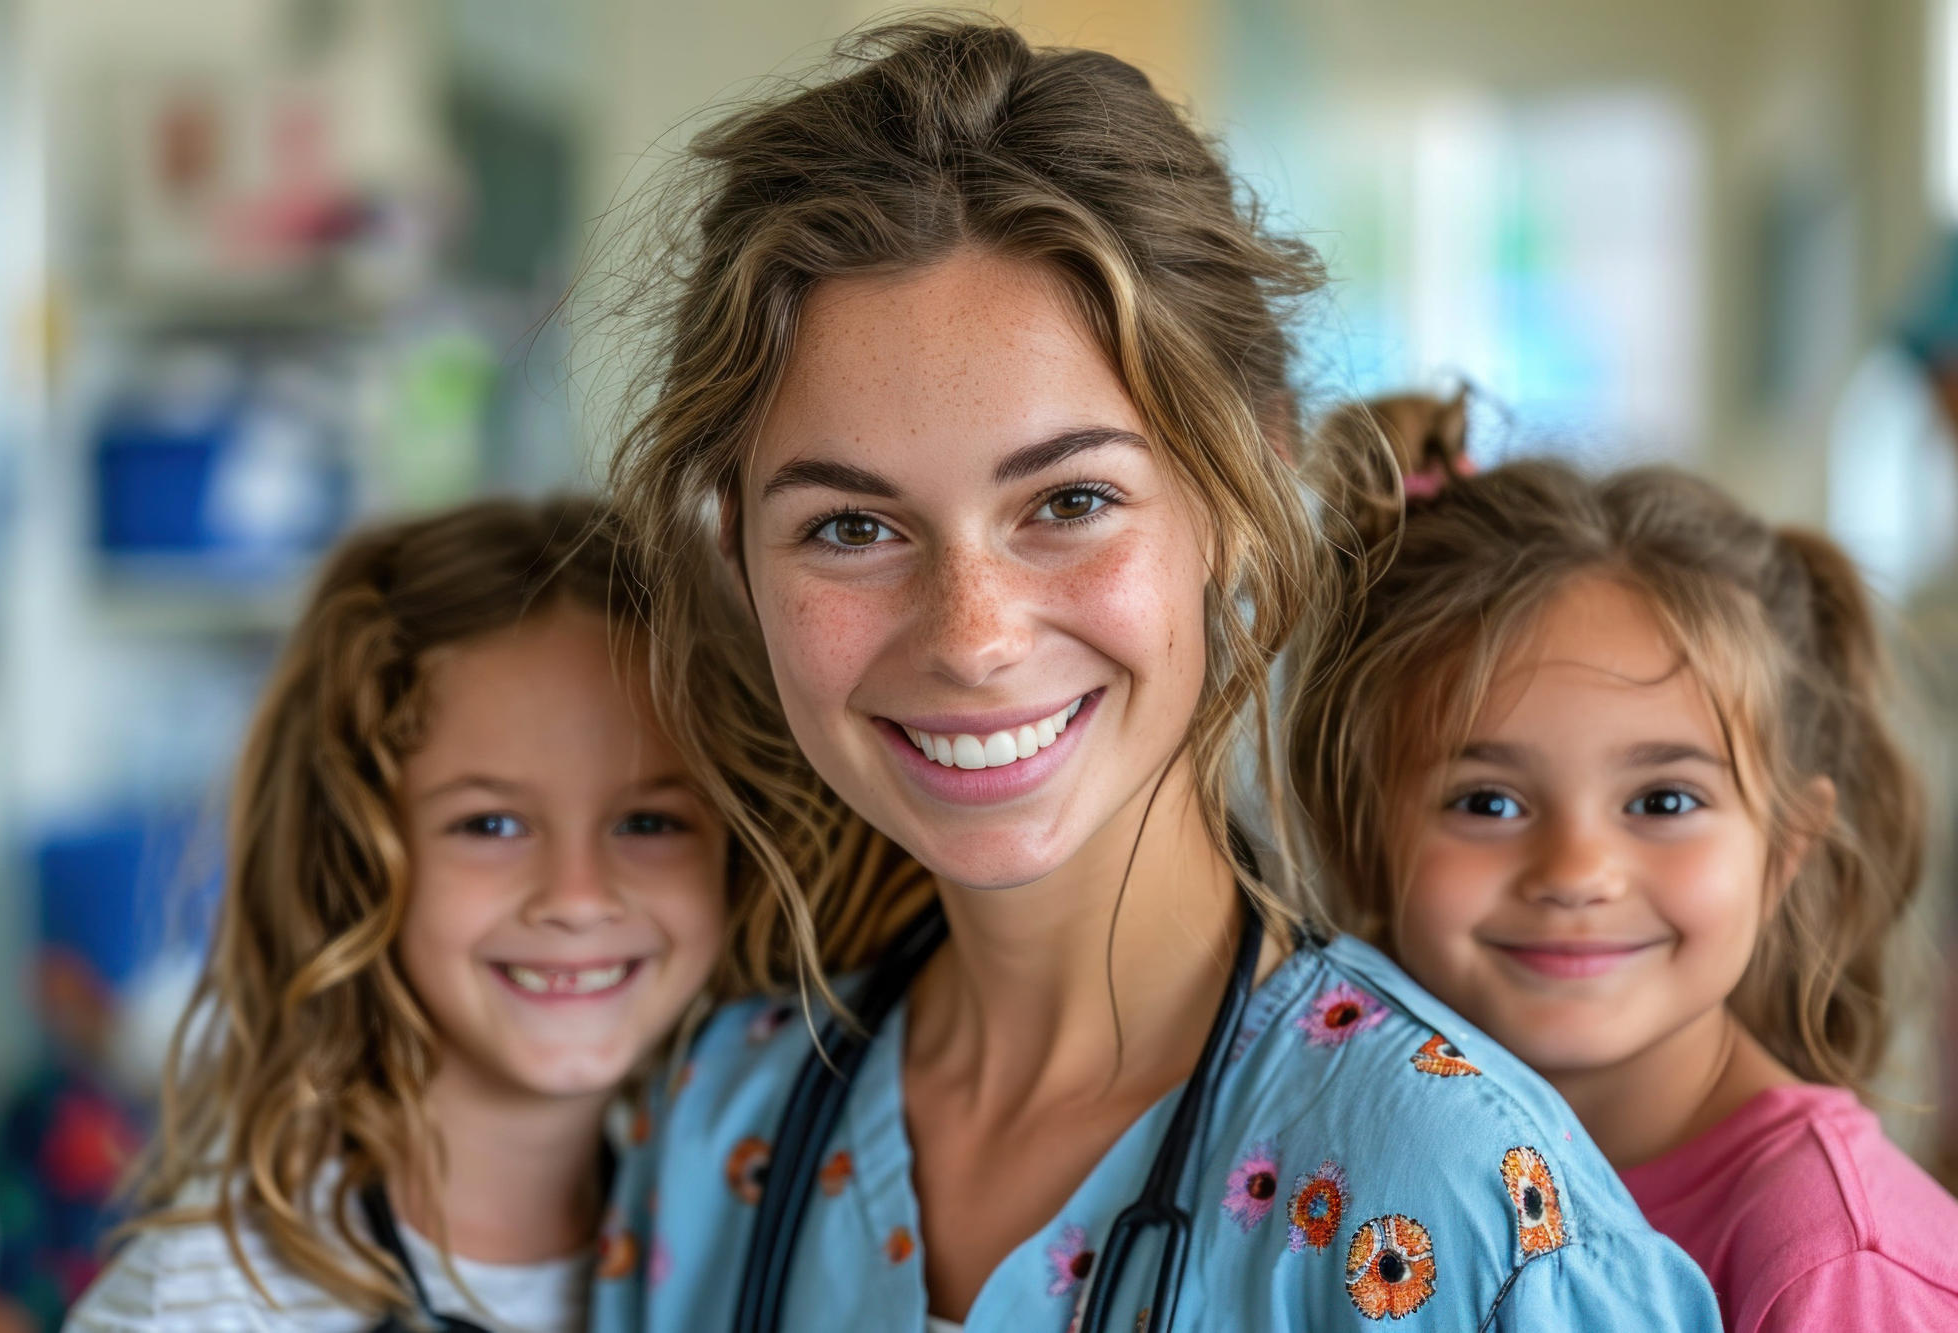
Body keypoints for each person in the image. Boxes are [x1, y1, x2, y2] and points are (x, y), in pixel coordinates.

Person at [592, 17, 1719, 1330]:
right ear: (736, 551)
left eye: (1068, 500)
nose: (972, 633)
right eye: (850, 528)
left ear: (1241, 490)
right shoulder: (719, 1139)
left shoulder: (1463, 1209)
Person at [1292, 395, 1958, 1330]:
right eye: (1488, 801)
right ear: (1366, 837)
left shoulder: (1838, 1263)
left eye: (1663, 802)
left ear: (1785, 850)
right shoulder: (1368, 1164)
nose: (1576, 869)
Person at [65, 497, 732, 1332]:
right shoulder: (205, 1302)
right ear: (354, 853)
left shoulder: (772, 1243)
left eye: (648, 822)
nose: (577, 895)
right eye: (490, 824)